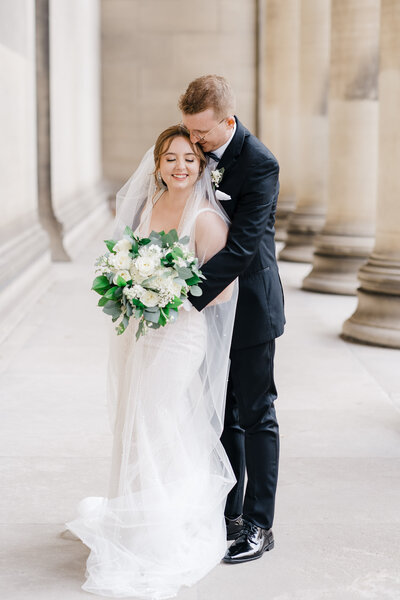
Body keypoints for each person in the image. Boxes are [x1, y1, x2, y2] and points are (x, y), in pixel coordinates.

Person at [66, 125, 238, 599]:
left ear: (201, 164)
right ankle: (135, 512)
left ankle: (161, 529)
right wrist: (131, 287)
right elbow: (125, 259)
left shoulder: (205, 219)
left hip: (181, 336)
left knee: (156, 419)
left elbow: (223, 291)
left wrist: (168, 290)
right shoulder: (149, 206)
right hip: (143, 334)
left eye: (188, 158)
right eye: (169, 159)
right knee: (136, 420)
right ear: (158, 165)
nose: (179, 167)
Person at [179, 75, 285, 563]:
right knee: (223, 417)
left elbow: (243, 246)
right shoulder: (197, 147)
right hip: (211, 313)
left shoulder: (260, 163)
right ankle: (229, 515)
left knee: (256, 414)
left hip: (250, 310)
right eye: (189, 131)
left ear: (227, 119)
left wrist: (182, 294)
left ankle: (260, 524)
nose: (193, 143)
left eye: (201, 134)